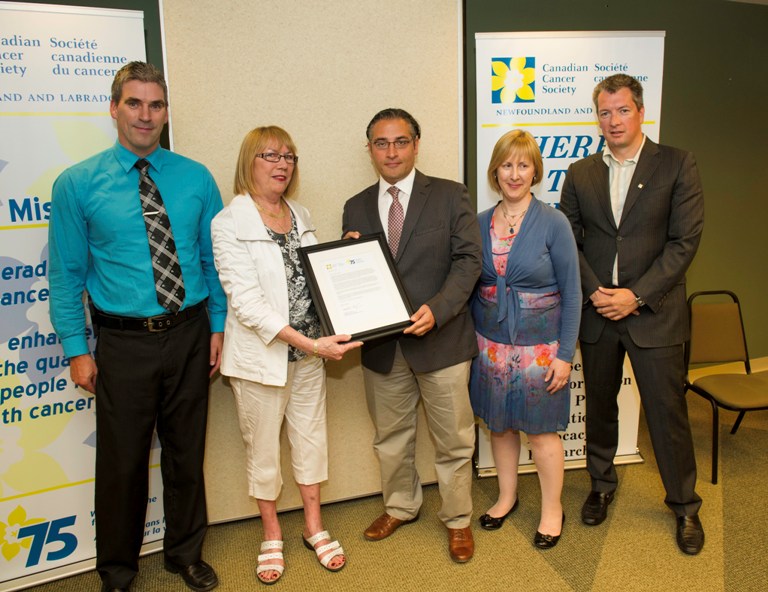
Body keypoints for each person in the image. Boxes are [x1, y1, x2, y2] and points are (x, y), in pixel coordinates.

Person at [48, 62, 225, 592]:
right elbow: (66, 277)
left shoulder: (196, 177)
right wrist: (78, 350)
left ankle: (184, 553)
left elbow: (212, 260)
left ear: (166, 113)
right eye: (134, 103)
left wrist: (217, 325)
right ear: (113, 107)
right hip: (123, 343)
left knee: (186, 453)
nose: (146, 116)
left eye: (156, 105)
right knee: (122, 462)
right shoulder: (77, 184)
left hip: (192, 333)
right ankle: (118, 570)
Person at [559, 74, 705, 555]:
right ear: (596, 118)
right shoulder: (580, 172)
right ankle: (601, 486)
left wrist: (636, 295)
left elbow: (684, 243)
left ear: (640, 112)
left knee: (668, 414)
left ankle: (685, 505)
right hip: (598, 311)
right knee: (598, 407)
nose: (613, 120)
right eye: (605, 112)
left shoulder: (677, 164)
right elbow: (569, 241)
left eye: (622, 110)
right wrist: (597, 291)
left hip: (654, 315)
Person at [211, 126, 361, 585]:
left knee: (311, 441)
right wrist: (310, 343)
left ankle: (314, 526)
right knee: (262, 451)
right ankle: (271, 534)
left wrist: (347, 257)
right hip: (263, 360)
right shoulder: (228, 222)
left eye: (289, 156)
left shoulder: (300, 212)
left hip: (311, 358)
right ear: (249, 162)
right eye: (269, 155)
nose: (281, 164)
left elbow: (313, 276)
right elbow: (248, 303)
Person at [342, 108, 482, 563]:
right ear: (370, 150)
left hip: (441, 341)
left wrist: (438, 311)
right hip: (384, 349)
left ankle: (458, 519)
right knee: (391, 437)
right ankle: (401, 506)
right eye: (381, 143)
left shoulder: (449, 194)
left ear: (416, 144)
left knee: (454, 440)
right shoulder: (356, 205)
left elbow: (468, 262)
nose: (391, 151)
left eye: (400, 141)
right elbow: (350, 275)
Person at [469, 130, 580, 549]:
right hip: (491, 347)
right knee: (499, 428)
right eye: (506, 164)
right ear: (494, 170)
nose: (514, 174)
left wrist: (565, 355)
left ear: (535, 170)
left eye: (523, 165)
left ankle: (552, 509)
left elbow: (572, 293)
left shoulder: (553, 222)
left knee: (542, 433)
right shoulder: (479, 222)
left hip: (542, 350)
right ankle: (506, 497)